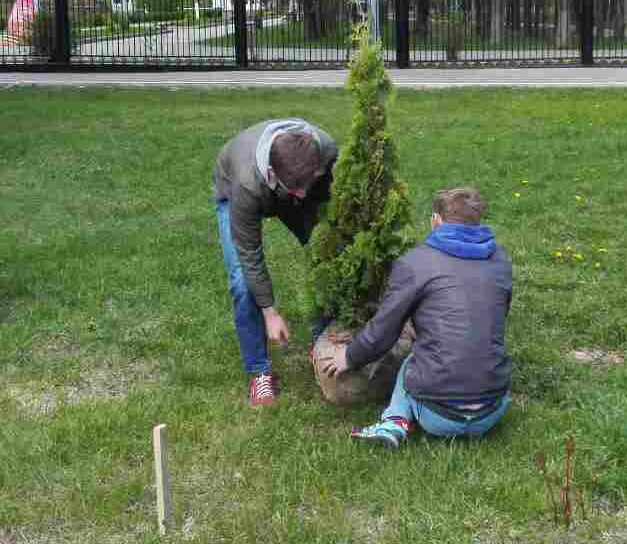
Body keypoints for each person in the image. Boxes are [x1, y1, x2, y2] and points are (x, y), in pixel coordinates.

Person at [322, 185, 512, 448]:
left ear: (435, 221)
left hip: (438, 417)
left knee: (415, 358)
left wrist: (350, 356)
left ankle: (394, 421)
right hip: (492, 410)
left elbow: (384, 330)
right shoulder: (500, 261)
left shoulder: (416, 263)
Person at [214, 119, 337, 406]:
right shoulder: (246, 184)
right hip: (233, 191)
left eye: (308, 184)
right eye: (297, 189)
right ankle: (259, 372)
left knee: (327, 255)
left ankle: (321, 344)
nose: (304, 194)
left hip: (293, 183)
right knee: (243, 284)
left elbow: (323, 204)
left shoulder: (326, 151)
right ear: (272, 173)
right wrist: (270, 313)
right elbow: (250, 253)